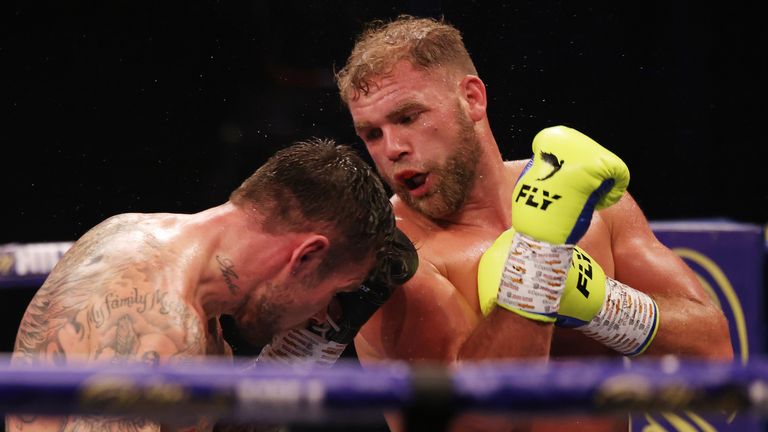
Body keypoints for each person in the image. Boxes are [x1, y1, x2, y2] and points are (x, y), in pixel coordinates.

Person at [333, 15, 733, 431]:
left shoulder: (581, 200)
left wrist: (600, 305)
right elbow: (461, 426)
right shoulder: (395, 259)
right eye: (372, 134)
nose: (393, 148)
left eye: (408, 117)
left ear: (471, 99)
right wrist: (538, 265)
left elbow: (714, 353)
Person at [6, 138, 397, 432]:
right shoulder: (159, 322)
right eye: (334, 291)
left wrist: (302, 351)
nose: (320, 312)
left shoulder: (135, 234)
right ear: (306, 256)